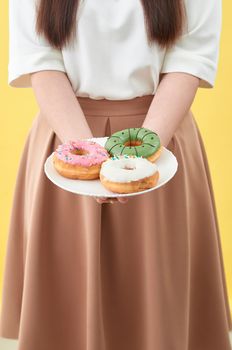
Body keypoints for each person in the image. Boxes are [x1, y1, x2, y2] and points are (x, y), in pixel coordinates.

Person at [0, 0, 231, 349]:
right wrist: (88, 161)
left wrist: (140, 160)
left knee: (158, 300)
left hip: (161, 143)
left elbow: (190, 59)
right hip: (66, 139)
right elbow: (40, 61)